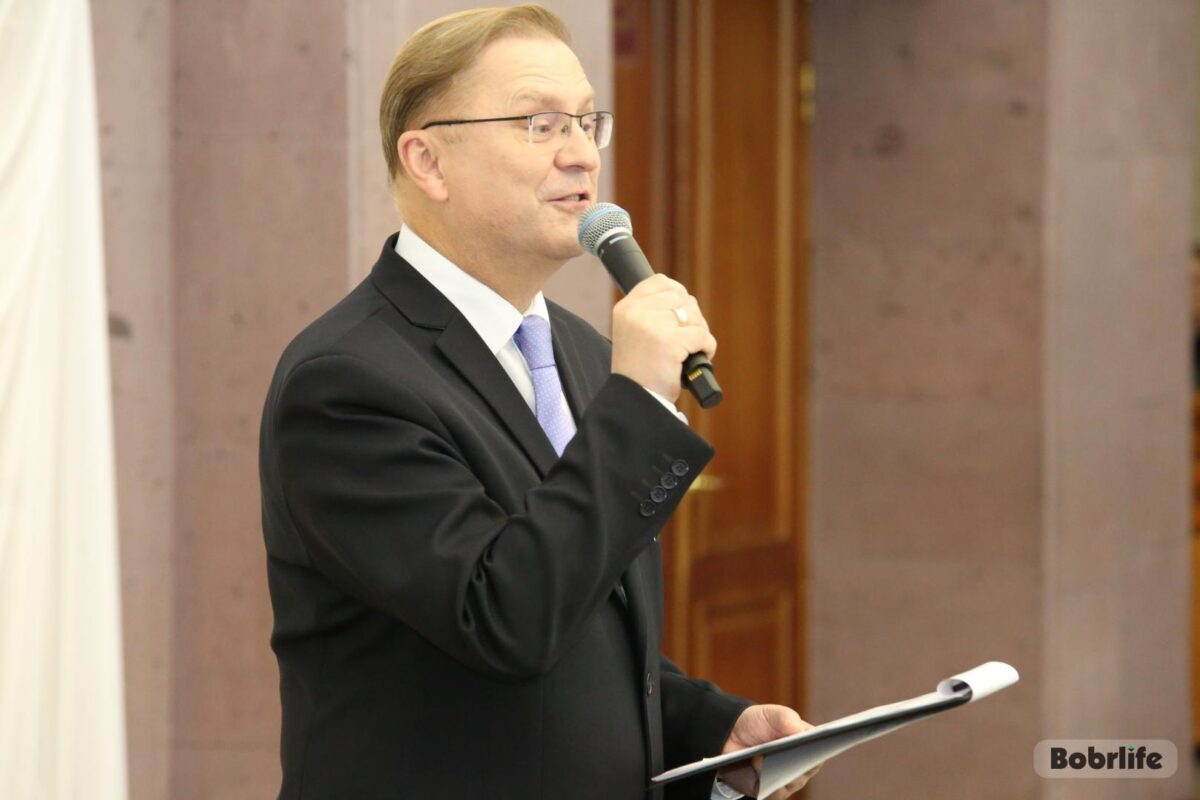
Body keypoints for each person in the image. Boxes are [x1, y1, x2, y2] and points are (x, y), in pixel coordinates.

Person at [259, 5, 817, 799]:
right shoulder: (347, 382)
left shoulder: (584, 353)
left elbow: (580, 617)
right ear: (428, 161)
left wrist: (706, 725)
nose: (581, 153)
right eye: (540, 123)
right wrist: (641, 407)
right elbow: (502, 617)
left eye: (588, 122)